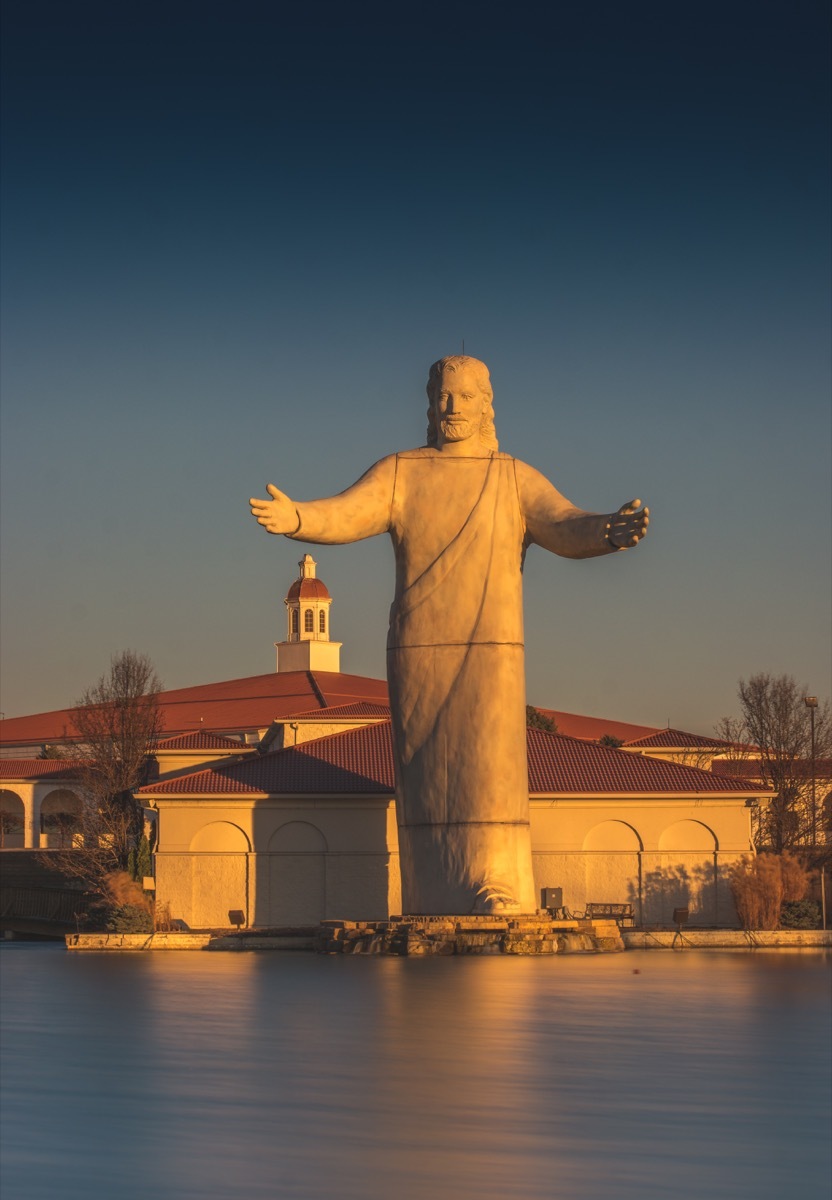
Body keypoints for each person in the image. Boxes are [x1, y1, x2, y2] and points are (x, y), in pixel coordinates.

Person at [250, 356, 649, 914]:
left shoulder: (511, 476)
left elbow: (562, 523)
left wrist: (605, 530)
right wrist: (298, 518)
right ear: (430, 404)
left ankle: (495, 882)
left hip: (492, 648)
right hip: (419, 647)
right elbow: (348, 513)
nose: (452, 406)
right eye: (443, 395)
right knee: (425, 773)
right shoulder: (402, 472)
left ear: (487, 405)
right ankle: (434, 891)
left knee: (490, 764)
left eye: (464, 396)